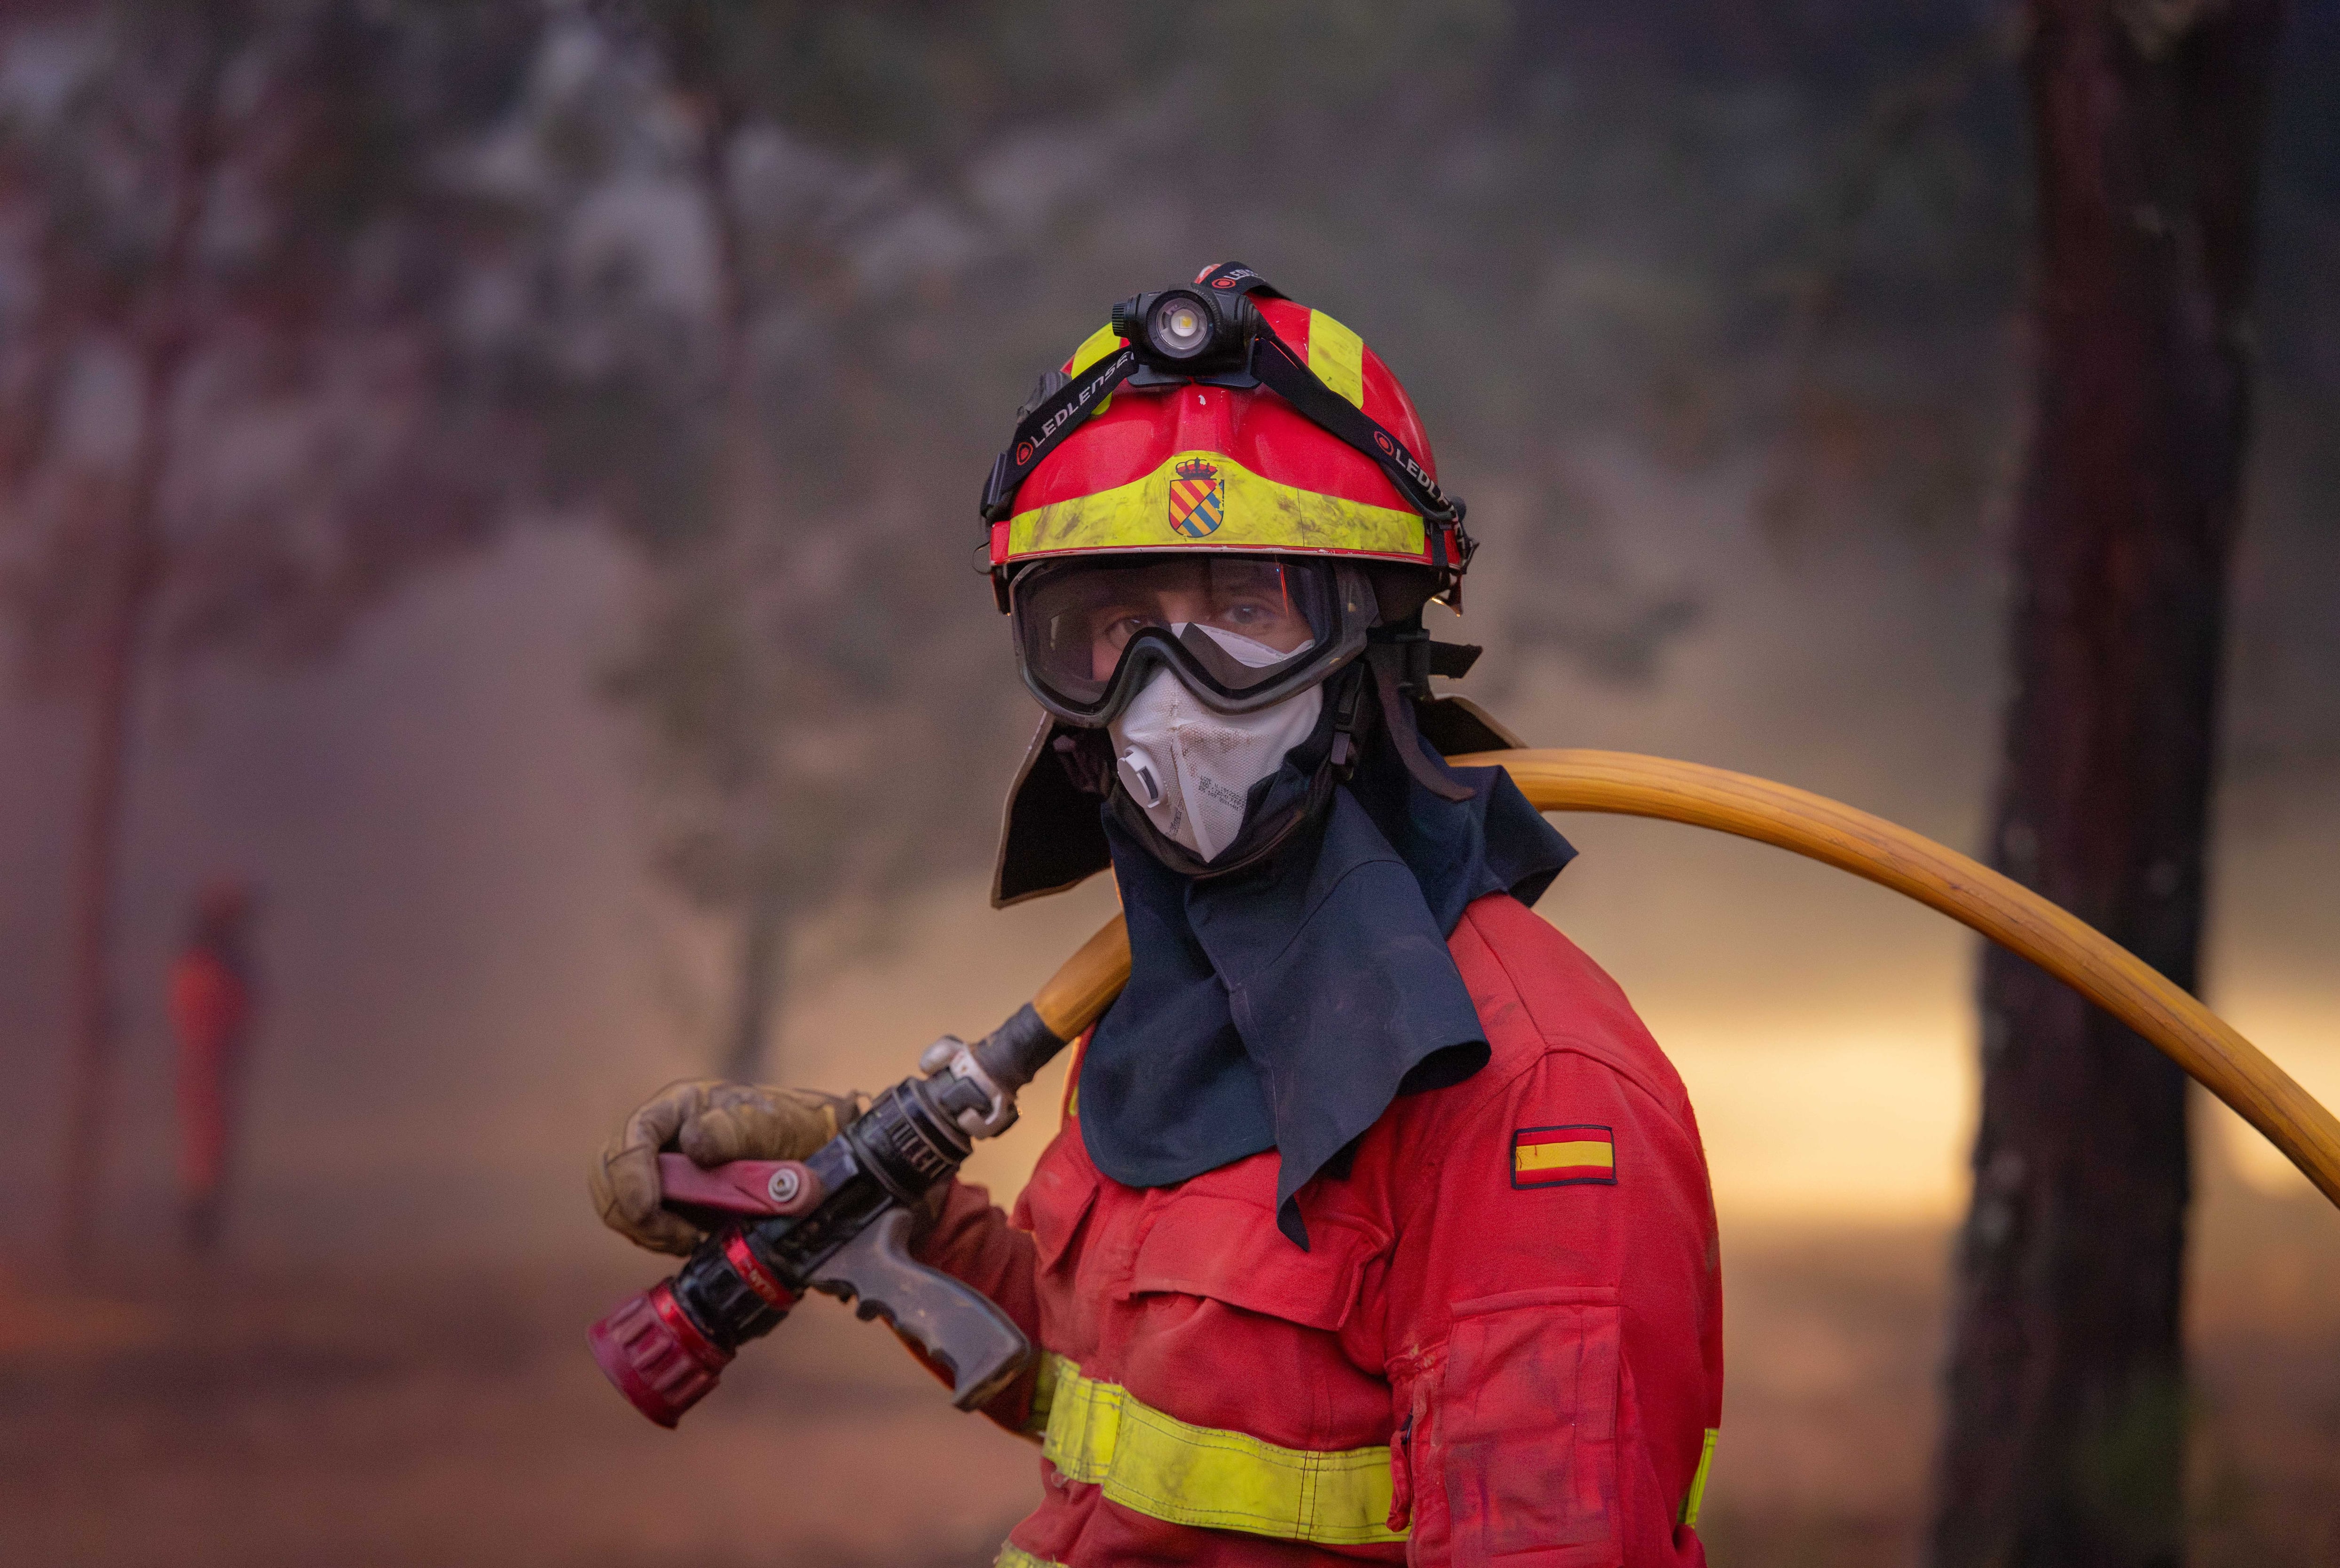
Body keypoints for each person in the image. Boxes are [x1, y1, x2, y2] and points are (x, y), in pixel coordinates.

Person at [592, 265, 1723, 1566]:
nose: (1171, 695)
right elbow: (1142, 1411)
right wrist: (873, 1208)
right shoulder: (1174, 1000)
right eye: (1116, 624)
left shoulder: (1531, 1097)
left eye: (1245, 610)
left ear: (1374, 641)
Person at [170, 877, 260, 1254]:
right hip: (208, 1062)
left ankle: (205, 1240)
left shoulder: (218, 962)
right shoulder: (207, 964)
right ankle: (199, 1242)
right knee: (206, 1151)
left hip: (216, 1061)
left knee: (213, 1150)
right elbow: (203, 1013)